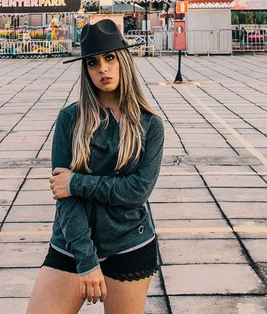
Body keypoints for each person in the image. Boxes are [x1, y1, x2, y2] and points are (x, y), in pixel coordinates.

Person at [26, 19, 165, 314]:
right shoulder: (70, 119)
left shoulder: (150, 125)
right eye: (92, 62)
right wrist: (86, 260)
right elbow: (65, 199)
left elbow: (137, 191)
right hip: (71, 244)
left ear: (124, 60)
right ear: (86, 69)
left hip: (129, 243)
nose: (102, 68)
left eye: (110, 58)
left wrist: (76, 182)